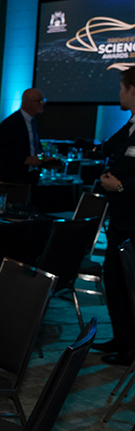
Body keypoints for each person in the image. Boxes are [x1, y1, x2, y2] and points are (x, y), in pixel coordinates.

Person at [91, 67, 135, 365]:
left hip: (133, 221)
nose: (118, 93)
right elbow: (110, 148)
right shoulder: (130, 125)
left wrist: (120, 185)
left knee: (130, 283)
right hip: (121, 220)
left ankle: (131, 348)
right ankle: (123, 339)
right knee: (115, 280)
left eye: (122, 87)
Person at [0, 88, 60, 184]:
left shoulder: (33, 122)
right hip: (11, 179)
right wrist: (25, 159)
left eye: (43, 100)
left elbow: (34, 148)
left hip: (29, 176)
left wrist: (43, 160)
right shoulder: (11, 123)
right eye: (39, 101)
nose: (43, 103)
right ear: (27, 102)